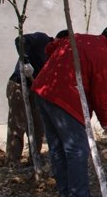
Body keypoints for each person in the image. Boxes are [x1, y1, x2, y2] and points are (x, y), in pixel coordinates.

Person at [32, 23, 107, 197]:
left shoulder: (79, 38)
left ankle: (65, 191)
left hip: (42, 90)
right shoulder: (104, 58)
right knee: (77, 149)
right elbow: (100, 97)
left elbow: (51, 48)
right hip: (65, 99)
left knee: (57, 144)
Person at [5, 30, 68, 167]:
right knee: (18, 123)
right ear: (59, 40)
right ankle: (13, 161)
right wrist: (25, 61)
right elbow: (19, 40)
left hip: (35, 89)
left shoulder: (56, 56)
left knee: (38, 124)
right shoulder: (42, 39)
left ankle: (35, 157)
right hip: (18, 85)